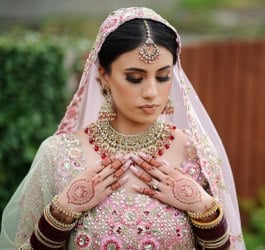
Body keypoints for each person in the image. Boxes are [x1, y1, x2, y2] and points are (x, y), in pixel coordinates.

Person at [0, 6, 244, 249]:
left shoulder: (196, 153)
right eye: (135, 78)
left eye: (162, 77)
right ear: (104, 75)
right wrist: (61, 213)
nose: (151, 93)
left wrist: (204, 210)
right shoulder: (59, 156)